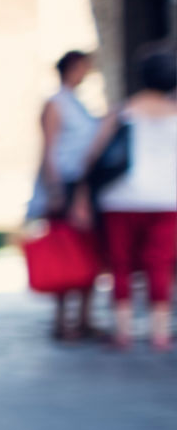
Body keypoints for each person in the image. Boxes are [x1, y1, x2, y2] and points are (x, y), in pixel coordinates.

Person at [82, 47, 177, 351]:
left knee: (120, 263)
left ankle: (123, 332)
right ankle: (159, 333)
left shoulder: (122, 112)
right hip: (167, 199)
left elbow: (93, 156)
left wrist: (82, 197)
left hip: (121, 198)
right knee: (160, 263)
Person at [35, 50, 102, 340]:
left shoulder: (80, 105)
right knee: (64, 252)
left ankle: (84, 319)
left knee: (89, 252)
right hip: (65, 185)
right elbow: (50, 150)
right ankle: (63, 321)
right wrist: (55, 189)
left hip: (85, 185)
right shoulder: (56, 104)